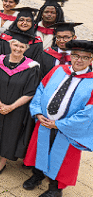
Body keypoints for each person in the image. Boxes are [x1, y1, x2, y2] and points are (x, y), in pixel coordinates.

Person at [23, 40, 93, 197]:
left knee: (62, 159)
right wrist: (38, 113)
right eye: (75, 55)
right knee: (40, 149)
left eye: (84, 57)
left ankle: (55, 188)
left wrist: (60, 124)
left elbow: (89, 112)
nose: (79, 60)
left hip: (67, 129)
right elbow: (41, 90)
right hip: (45, 122)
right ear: (70, 56)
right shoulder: (58, 70)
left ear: (91, 60)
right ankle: (38, 175)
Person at [0, 31, 40, 176]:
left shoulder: (32, 67)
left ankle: (2, 161)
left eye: (22, 47)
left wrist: (11, 107)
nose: (18, 49)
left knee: (10, 133)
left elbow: (30, 92)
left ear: (26, 49)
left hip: (17, 108)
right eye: (15, 45)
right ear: (10, 44)